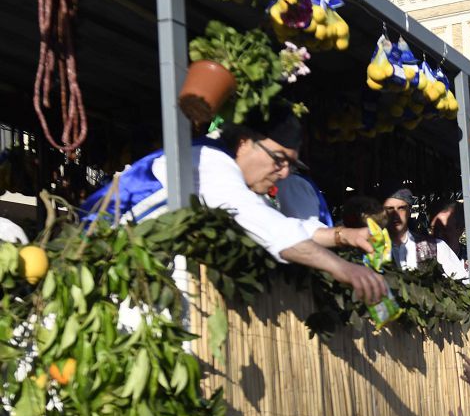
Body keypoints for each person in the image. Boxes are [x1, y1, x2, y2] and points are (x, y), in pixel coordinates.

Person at [80, 105, 386, 304]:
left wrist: (344, 235)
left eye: (290, 166)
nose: (282, 173)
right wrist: (342, 268)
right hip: (90, 274)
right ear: (243, 143)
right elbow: (270, 229)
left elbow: (278, 222)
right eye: (278, 160)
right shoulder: (211, 161)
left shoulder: (232, 173)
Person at [383, 188, 468, 280]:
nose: (396, 215)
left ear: (409, 211)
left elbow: (461, 283)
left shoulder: (436, 247)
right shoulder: (374, 248)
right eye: (390, 209)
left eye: (401, 208)